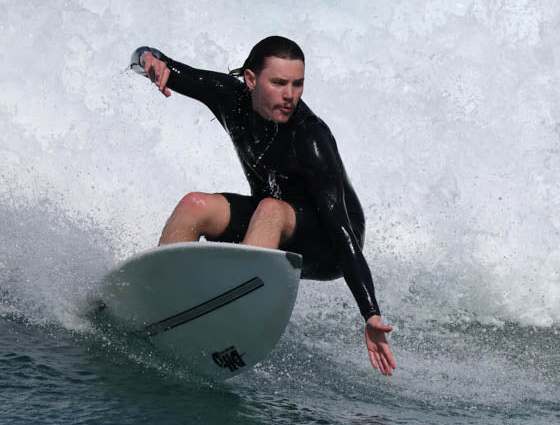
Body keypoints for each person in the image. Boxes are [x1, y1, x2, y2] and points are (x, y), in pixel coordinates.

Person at [128, 36, 395, 375]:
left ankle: (230, 318)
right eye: (279, 83)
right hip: (268, 219)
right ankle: (159, 300)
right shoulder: (230, 98)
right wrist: (149, 60)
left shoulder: (311, 139)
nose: (290, 95)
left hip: (327, 242)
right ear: (251, 80)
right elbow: (155, 59)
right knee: (195, 204)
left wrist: (370, 312)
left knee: (270, 207)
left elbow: (342, 233)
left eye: (298, 84)